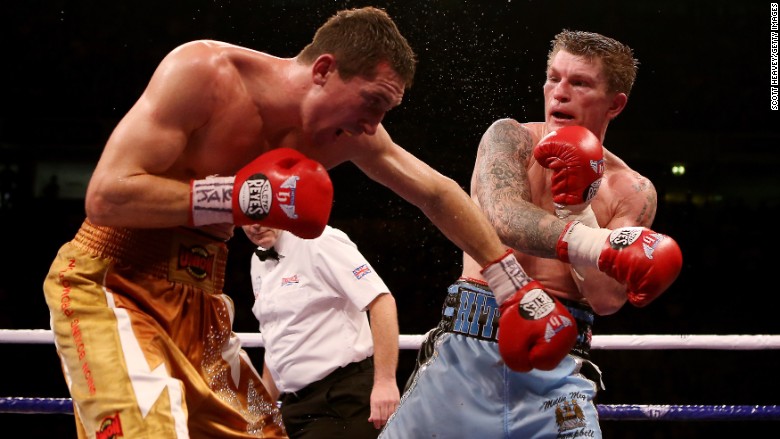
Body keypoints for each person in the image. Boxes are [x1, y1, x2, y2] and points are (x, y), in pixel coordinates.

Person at [42, 5, 679, 437]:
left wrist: (513, 281)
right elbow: (107, 196)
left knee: (262, 432)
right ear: (323, 70)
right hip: (114, 281)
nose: (375, 125)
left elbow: (436, 192)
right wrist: (240, 198)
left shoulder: (350, 129)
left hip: (200, 298)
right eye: (373, 102)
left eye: (386, 109)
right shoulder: (204, 72)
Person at [380, 30, 681, 439]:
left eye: (579, 83)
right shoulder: (510, 138)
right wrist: (594, 240)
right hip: (464, 357)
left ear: (615, 103)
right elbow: (503, 218)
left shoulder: (633, 189)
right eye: (553, 78)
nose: (560, 92)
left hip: (558, 369)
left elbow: (607, 298)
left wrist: (578, 206)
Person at [243, 224, 399, 438]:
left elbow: (382, 301)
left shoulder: (320, 240)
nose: (255, 225)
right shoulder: (258, 262)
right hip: (293, 408)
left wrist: (385, 382)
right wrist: (261, 412)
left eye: (261, 214)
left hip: (341, 400)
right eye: (246, 218)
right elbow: (276, 341)